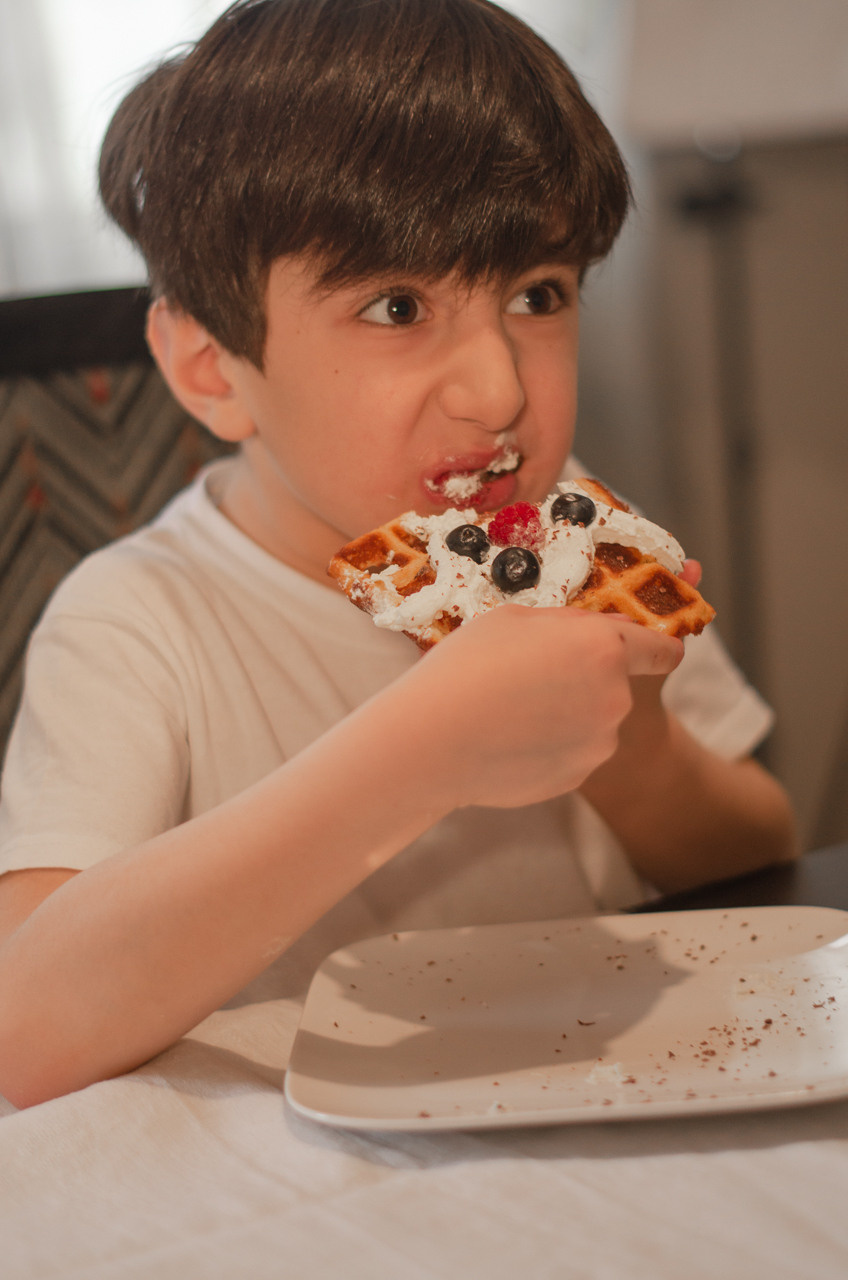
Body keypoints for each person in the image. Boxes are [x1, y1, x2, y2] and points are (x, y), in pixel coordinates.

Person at [0, 0, 795, 1109]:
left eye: (537, 294)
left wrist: (635, 750)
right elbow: (22, 1030)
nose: (499, 388)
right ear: (211, 366)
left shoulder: (572, 546)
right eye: (395, 304)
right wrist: (418, 753)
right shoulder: (138, 618)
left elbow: (762, 849)